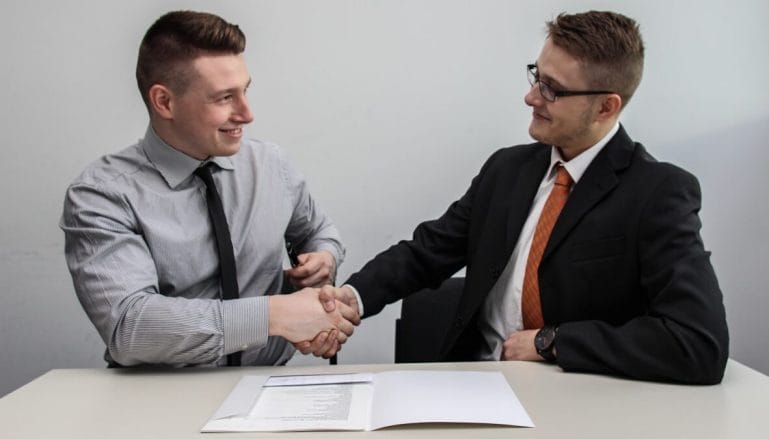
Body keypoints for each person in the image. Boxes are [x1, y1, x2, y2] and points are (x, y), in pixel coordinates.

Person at [324, 10, 729, 384]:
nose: (532, 96)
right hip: (475, 387)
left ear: (606, 107)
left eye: (553, 90)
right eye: (537, 76)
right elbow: (426, 253)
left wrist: (550, 341)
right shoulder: (506, 170)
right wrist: (349, 300)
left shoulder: (657, 193)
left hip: (578, 402)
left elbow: (698, 342)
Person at [60, 10, 354, 367]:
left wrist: (323, 259)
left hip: (269, 383)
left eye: (245, 90)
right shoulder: (102, 195)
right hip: (158, 393)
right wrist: (273, 315)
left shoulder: (272, 165)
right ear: (164, 102)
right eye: (224, 98)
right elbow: (131, 327)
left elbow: (318, 231)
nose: (247, 114)